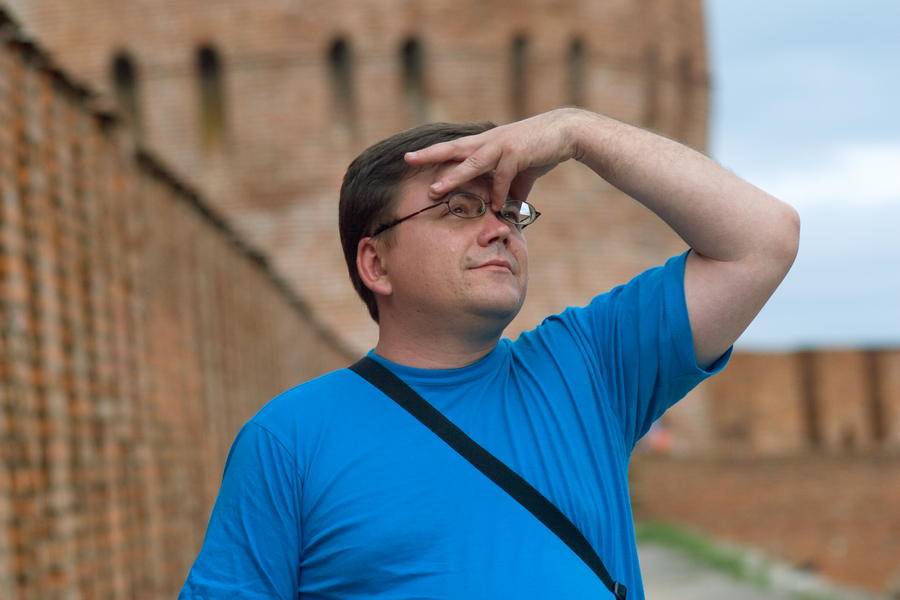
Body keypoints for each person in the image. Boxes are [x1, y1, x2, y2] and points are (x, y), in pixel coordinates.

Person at [179, 108, 799, 599]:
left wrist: (576, 130)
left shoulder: (587, 368)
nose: (499, 227)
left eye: (509, 210)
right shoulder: (289, 440)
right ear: (376, 263)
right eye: (459, 209)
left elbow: (763, 239)